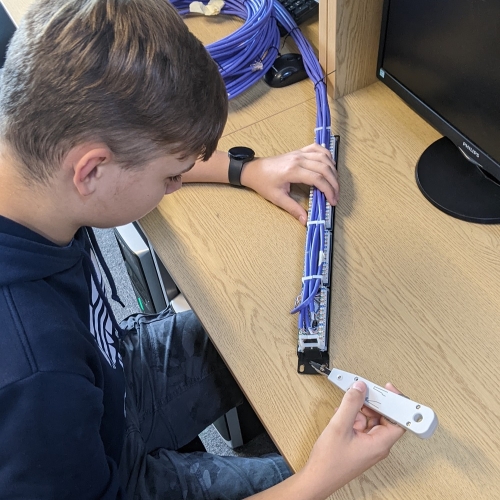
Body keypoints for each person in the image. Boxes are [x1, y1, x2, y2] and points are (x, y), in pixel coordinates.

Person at [0, 0, 405, 499]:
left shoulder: (27, 153)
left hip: (110, 381)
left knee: (266, 333)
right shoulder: (34, 375)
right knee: (362, 483)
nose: (176, 185)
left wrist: (246, 169)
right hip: (107, 474)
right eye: (171, 176)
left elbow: (132, 157)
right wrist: (316, 482)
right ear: (91, 172)